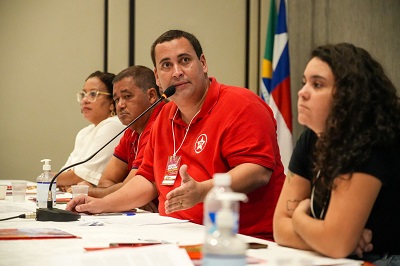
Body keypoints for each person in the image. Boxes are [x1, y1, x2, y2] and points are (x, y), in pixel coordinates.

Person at [67, 29, 285, 241]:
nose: (177, 72)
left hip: (242, 240)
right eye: (166, 65)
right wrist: (100, 205)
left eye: (185, 60)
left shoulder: (241, 104)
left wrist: (202, 191)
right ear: (157, 78)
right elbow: (146, 180)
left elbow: (257, 171)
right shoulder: (164, 116)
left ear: (203, 63)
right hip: (175, 233)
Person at [273, 43, 400, 265]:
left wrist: (301, 218)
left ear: (349, 94)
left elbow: (335, 243)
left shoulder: (371, 141)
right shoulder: (311, 138)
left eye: (317, 84)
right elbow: (280, 228)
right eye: (304, 83)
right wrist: (329, 239)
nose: (302, 92)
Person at [87, 66, 164, 212]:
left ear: (152, 95)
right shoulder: (132, 130)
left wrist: (89, 191)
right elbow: (106, 181)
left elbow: (130, 189)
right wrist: (125, 196)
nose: (120, 105)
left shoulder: (159, 124)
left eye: (127, 96)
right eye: (116, 100)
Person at [57, 71, 125, 190]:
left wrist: (48, 178)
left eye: (93, 94)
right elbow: (66, 172)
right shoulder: (84, 132)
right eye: (83, 94)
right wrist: (66, 180)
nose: (85, 100)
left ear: (111, 102)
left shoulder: (113, 125)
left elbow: (83, 176)